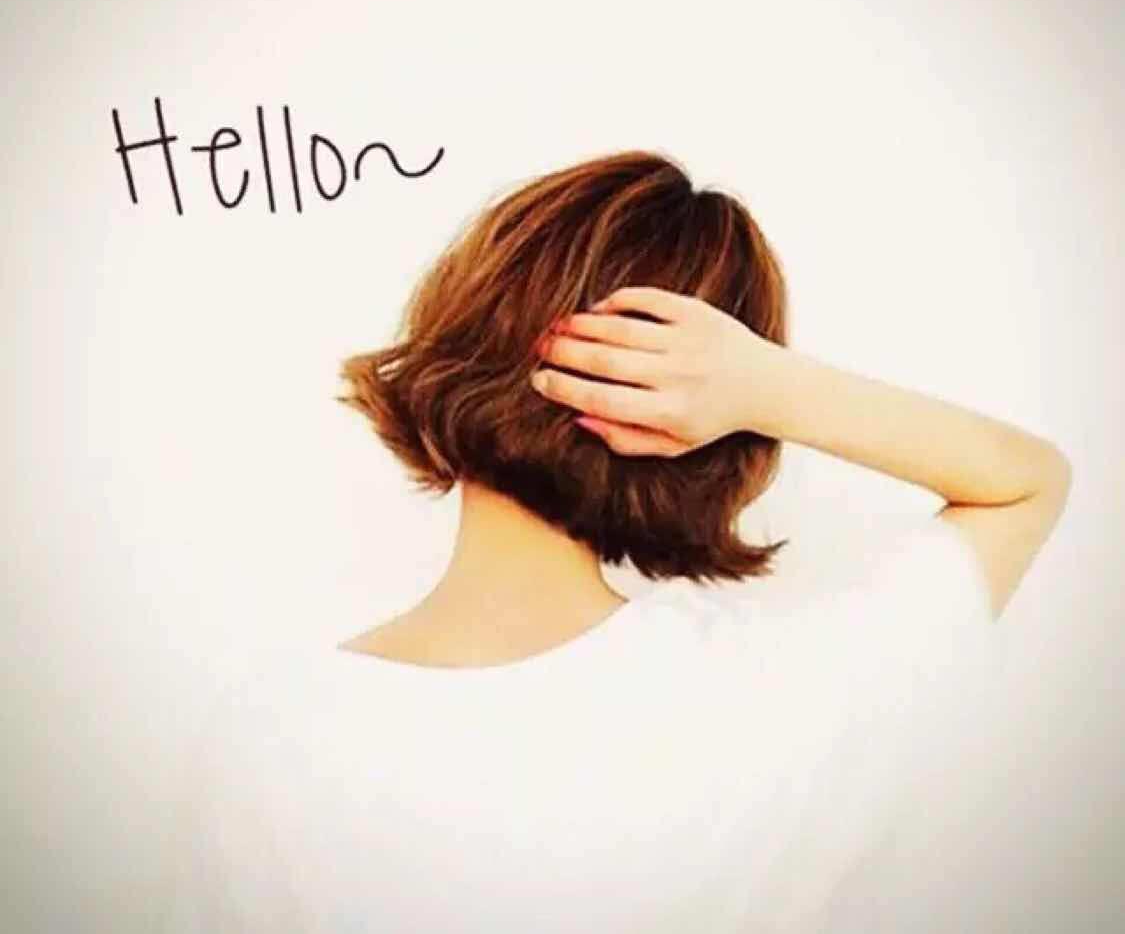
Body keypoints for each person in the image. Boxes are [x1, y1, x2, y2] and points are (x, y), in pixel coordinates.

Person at [157, 151, 1070, 932]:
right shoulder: (785, 696)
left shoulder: (274, 742)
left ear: (469, 334)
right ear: (717, 440)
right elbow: (1025, 481)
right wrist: (766, 386)